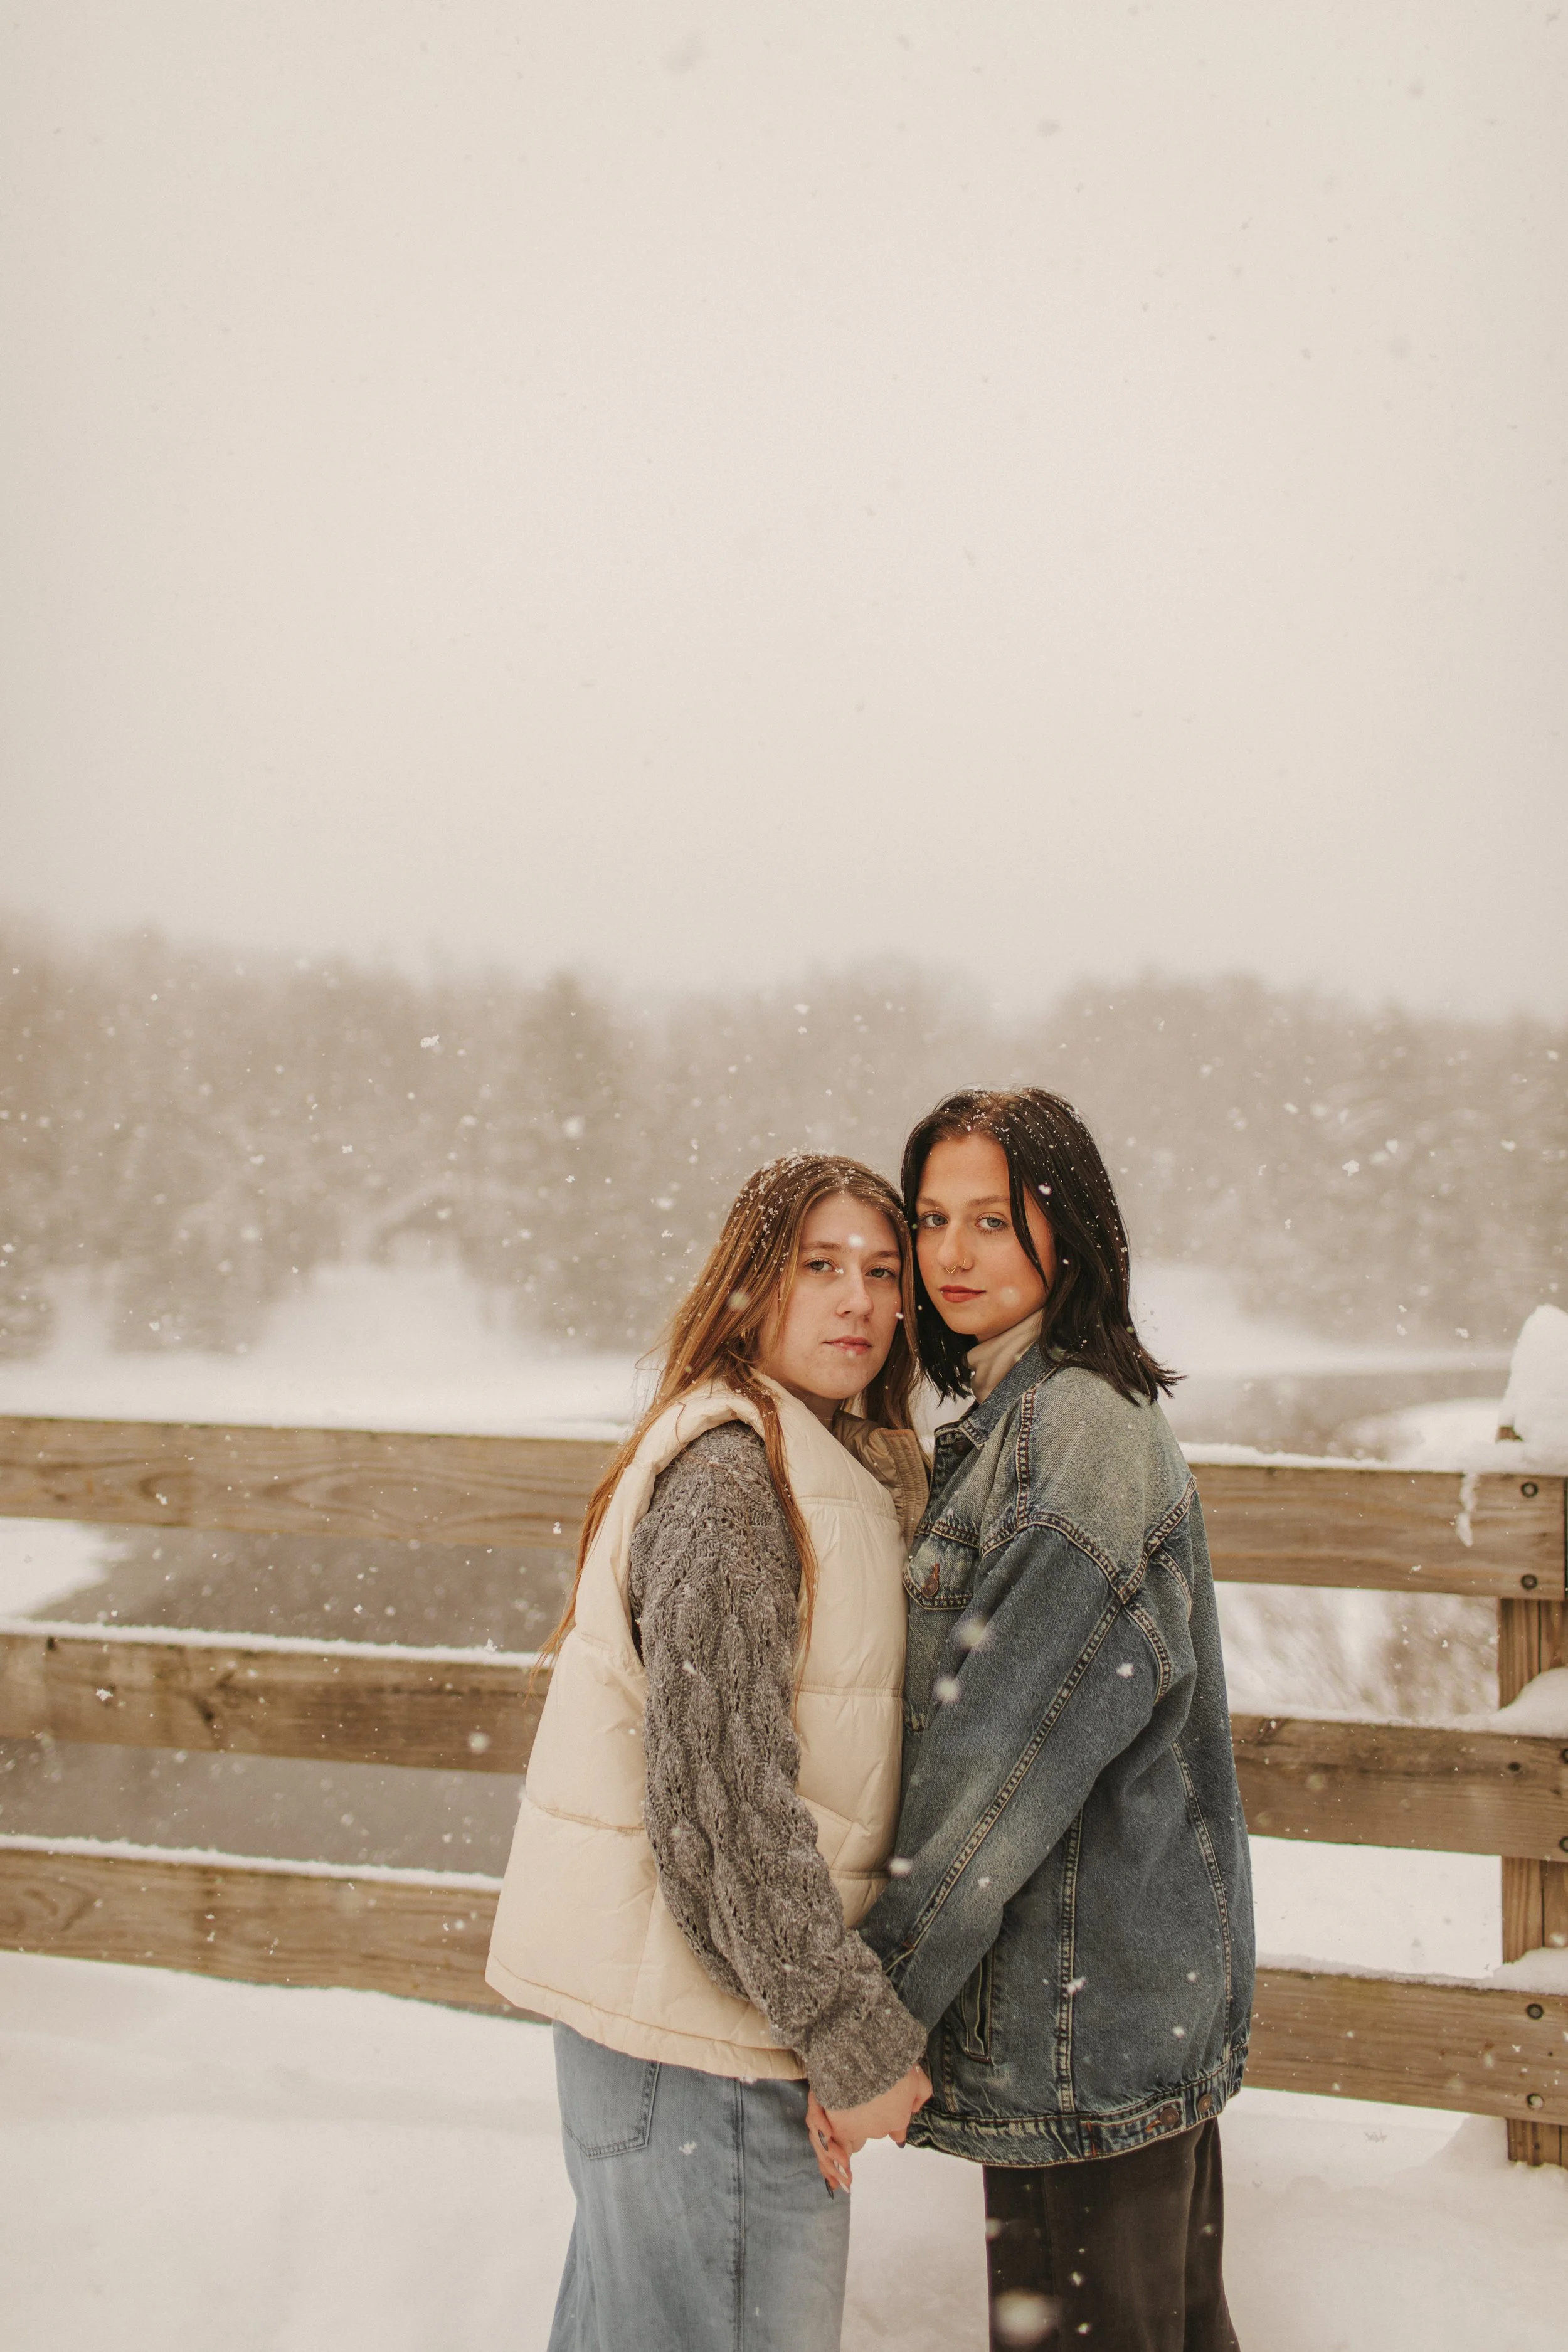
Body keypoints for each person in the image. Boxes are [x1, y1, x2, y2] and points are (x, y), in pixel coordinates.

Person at [822, 1088, 1253, 2352]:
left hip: (1086, 2023)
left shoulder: (1076, 1441)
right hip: (1097, 2011)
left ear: (1066, 1235)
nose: (949, 1257)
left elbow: (997, 1766)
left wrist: (872, 2018)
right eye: (931, 1220)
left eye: (991, 1223)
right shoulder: (1023, 1418)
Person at [487, 1152, 933, 2352]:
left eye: (882, 1272)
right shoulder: (737, 1480)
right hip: (704, 2049)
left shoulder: (803, 1454)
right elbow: (724, 1808)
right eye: (820, 1267)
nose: (858, 1301)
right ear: (751, 1283)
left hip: (681, 2034)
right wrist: (850, 2034)